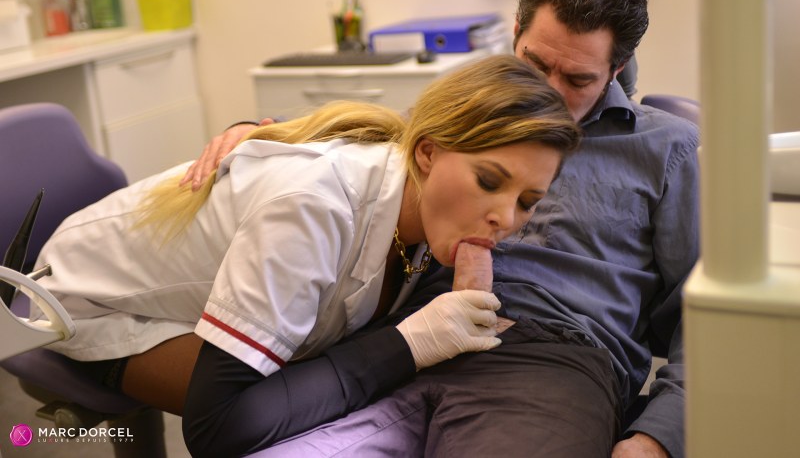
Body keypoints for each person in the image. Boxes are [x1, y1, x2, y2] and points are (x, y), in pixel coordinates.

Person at [183, 0, 699, 458]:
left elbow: (707, 319)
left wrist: (658, 436)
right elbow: (394, 143)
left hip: (555, 358)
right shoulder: (480, 108)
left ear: (616, 69)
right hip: (409, 335)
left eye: (578, 80)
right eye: (535, 64)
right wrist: (265, 133)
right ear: (515, 33)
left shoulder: (669, 151)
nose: (547, 92)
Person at [30, 54, 581, 418]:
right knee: (296, 409)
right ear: (427, 153)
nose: (505, 219)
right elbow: (222, 425)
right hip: (83, 299)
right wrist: (409, 344)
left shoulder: (428, 210)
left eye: (527, 202)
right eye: (490, 182)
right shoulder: (314, 207)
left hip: (178, 289)